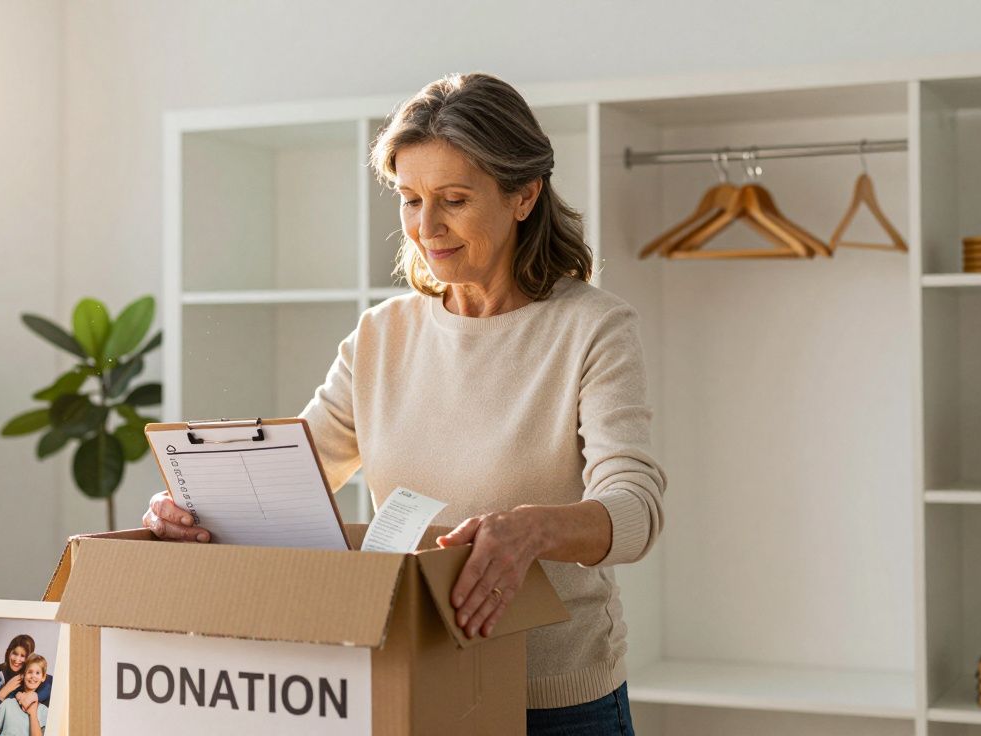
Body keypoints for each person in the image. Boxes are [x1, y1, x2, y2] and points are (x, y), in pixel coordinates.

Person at [143, 72, 665, 736]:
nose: (426, 227)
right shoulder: (380, 335)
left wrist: (533, 531)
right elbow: (288, 480)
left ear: (524, 195)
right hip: (406, 682)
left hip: (552, 701)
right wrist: (193, 510)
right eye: (410, 199)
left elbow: (636, 507)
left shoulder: (593, 328)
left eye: (454, 200)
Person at [0, 634, 52, 734]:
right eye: (15, 653)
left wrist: (33, 696)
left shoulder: (31, 678)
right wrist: (4, 691)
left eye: (23, 656)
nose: (17, 659)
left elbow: (50, 682)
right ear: (8, 653)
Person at [0, 654, 49, 736]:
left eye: (37, 673)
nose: (33, 676)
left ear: (43, 677)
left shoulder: (44, 711)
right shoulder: (7, 704)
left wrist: (33, 714)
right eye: (30, 672)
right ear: (23, 675)